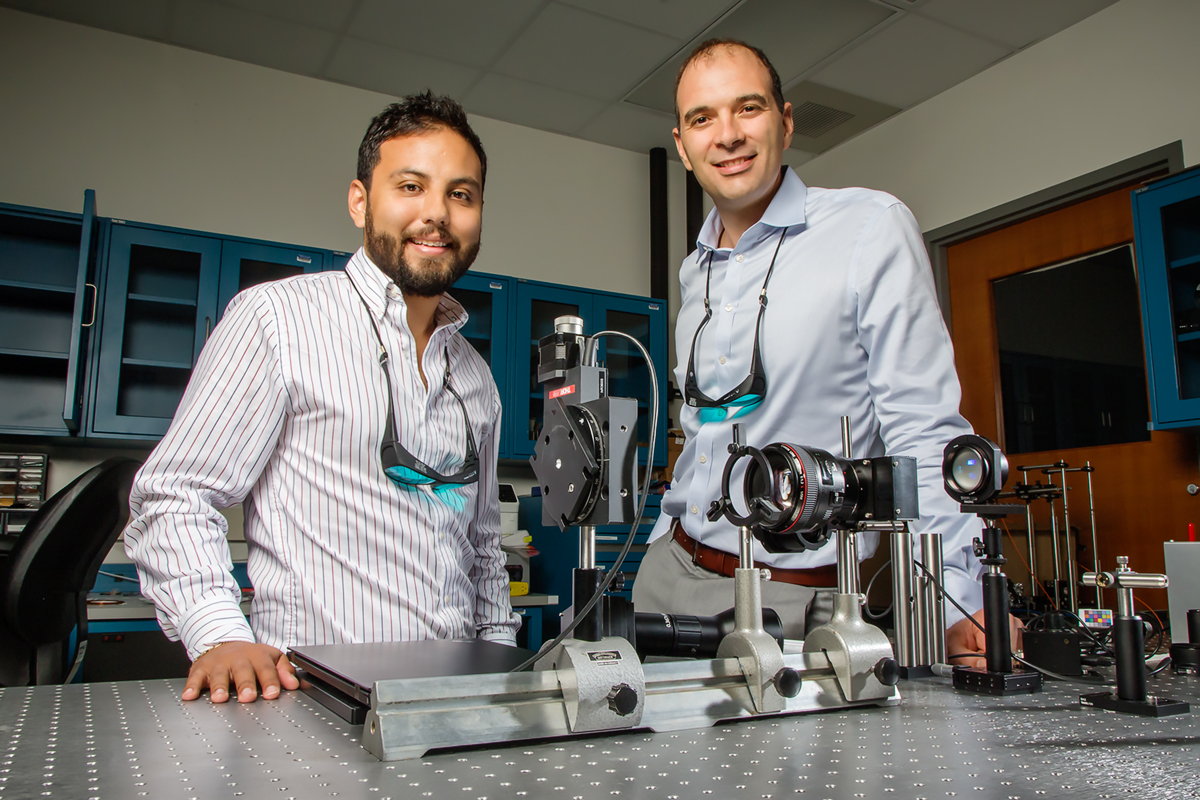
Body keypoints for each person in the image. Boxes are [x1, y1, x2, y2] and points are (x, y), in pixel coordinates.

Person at [632, 39, 1019, 665]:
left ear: (785, 123)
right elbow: (701, 435)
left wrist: (959, 599)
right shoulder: (693, 271)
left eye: (747, 109)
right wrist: (656, 544)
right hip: (667, 576)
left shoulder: (869, 229)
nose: (726, 135)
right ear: (682, 145)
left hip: (791, 597)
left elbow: (922, 430)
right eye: (703, 119)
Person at [124, 92, 519, 704]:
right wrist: (219, 635)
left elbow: (483, 549)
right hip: (315, 703)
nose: (436, 213)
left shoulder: (474, 378)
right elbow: (175, 495)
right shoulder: (277, 319)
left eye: (460, 195)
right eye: (410, 186)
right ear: (361, 201)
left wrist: (498, 665)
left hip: (452, 705)